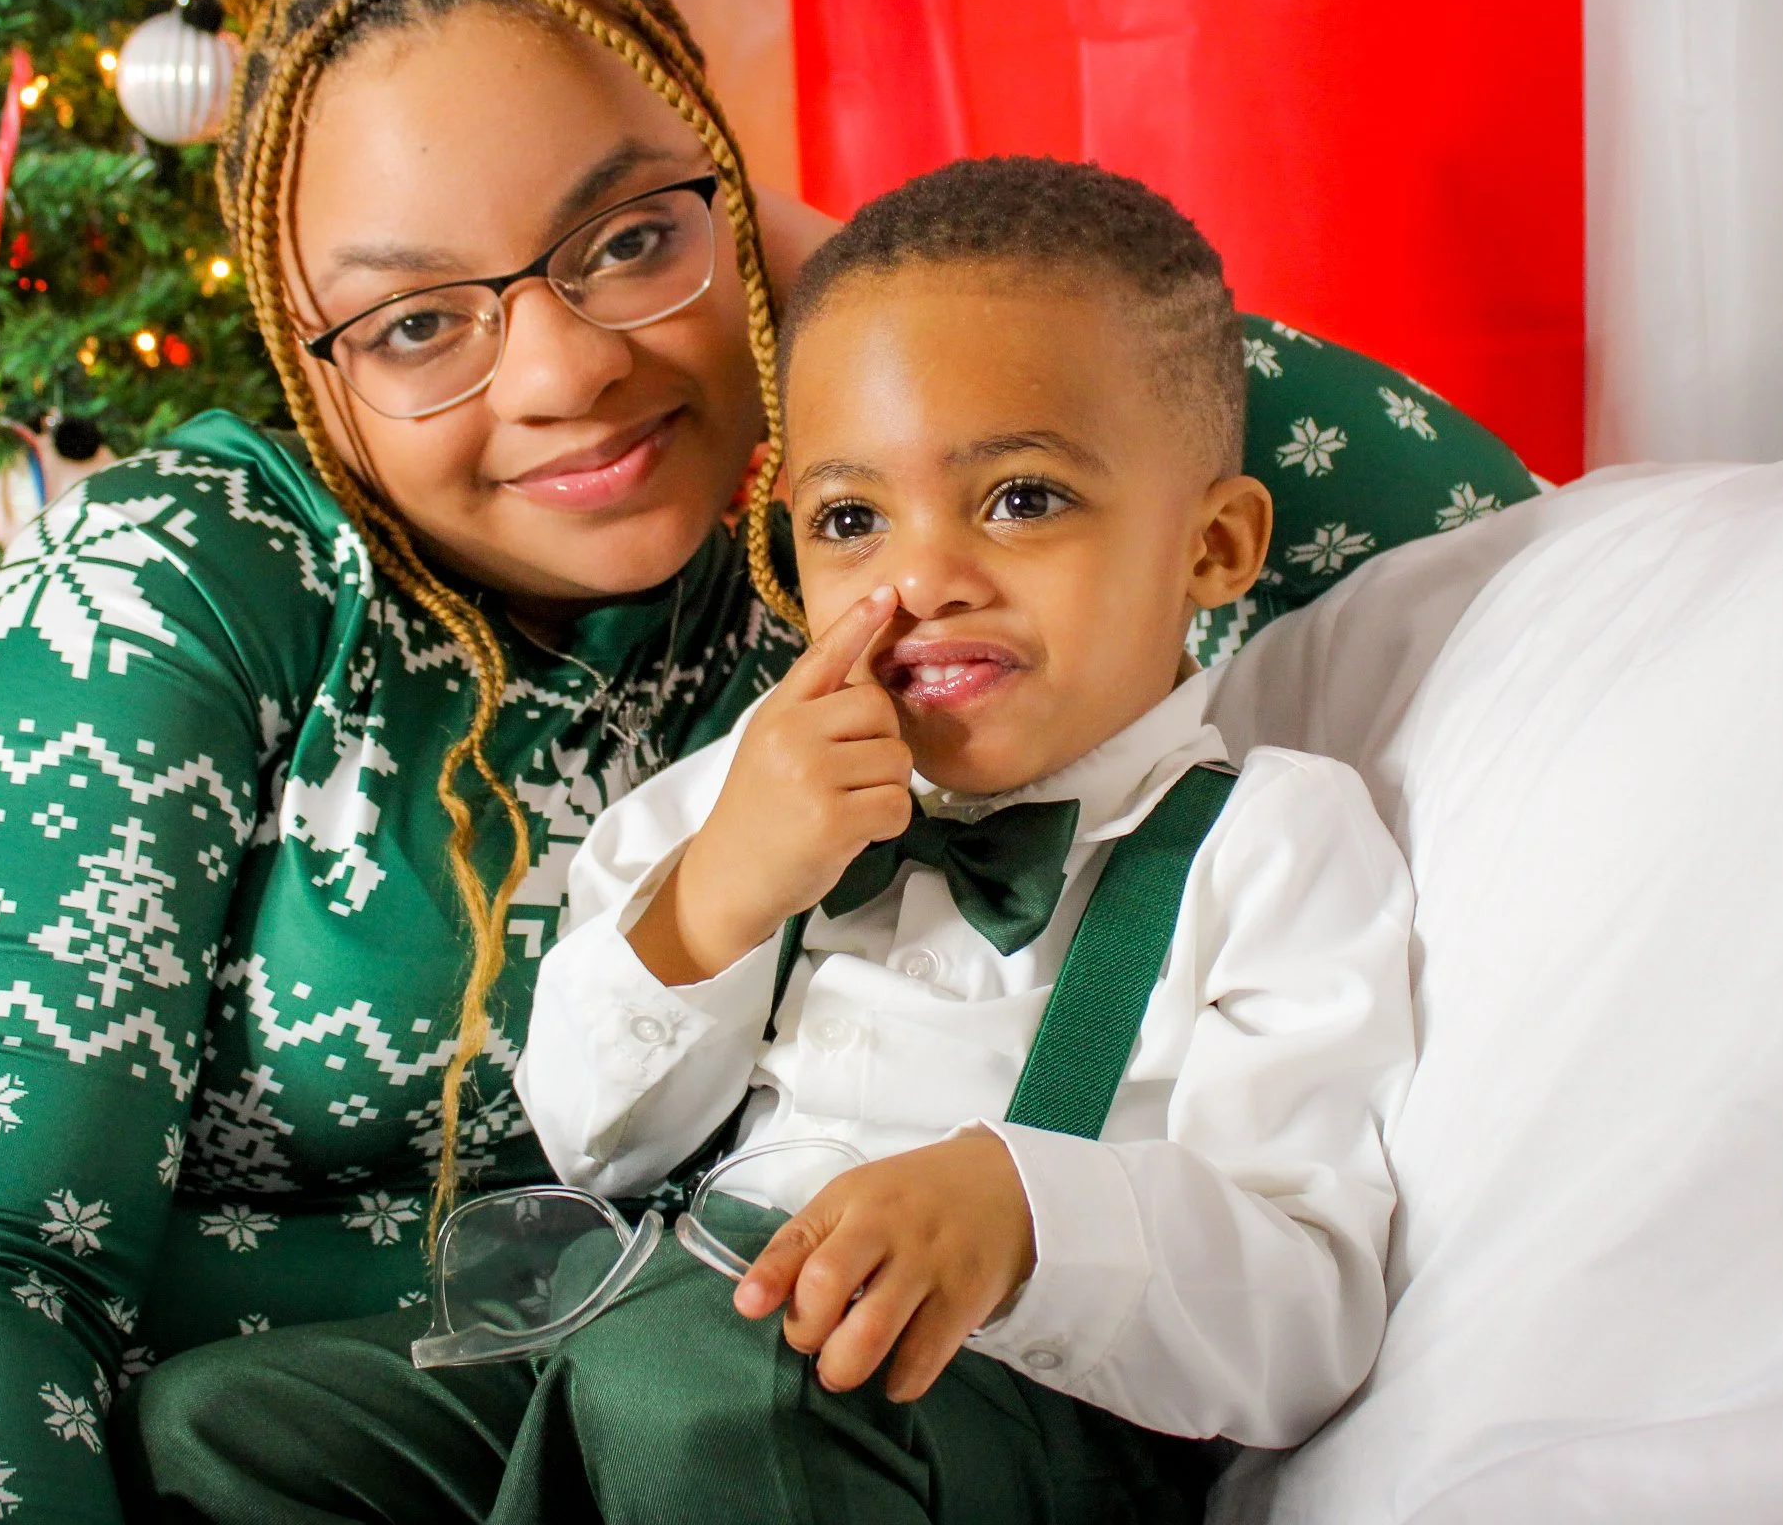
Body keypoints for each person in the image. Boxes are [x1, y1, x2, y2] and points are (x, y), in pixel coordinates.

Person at [0, 0, 1526, 1525]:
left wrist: (837, 284)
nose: (566, 375)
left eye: (624, 232)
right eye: (422, 316)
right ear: (307, 358)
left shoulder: (854, 505)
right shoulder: (174, 588)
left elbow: (1337, 457)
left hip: (547, 1410)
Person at [127, 158, 1415, 1523]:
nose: (920, 580)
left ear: (1212, 549)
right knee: (222, 1427)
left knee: (711, 1381)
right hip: (664, 1326)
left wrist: (1027, 1213)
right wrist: (718, 900)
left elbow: (1309, 1312)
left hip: (989, 1412)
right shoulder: (747, 789)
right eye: (853, 520)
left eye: (1022, 499)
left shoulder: (1270, 839)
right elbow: (595, 1146)